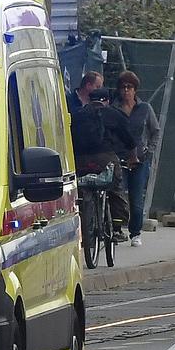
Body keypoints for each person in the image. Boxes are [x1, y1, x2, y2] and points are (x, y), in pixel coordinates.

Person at [72, 86, 135, 234]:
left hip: (80, 160)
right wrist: (133, 157)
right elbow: (129, 139)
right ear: (107, 101)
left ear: (89, 99)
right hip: (105, 158)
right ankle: (117, 228)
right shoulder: (114, 114)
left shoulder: (77, 115)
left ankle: (81, 224)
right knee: (115, 187)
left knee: (80, 190)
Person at [113, 70, 161, 248]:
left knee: (136, 198)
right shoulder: (114, 108)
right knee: (118, 195)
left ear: (135, 90)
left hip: (140, 160)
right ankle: (116, 229)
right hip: (119, 158)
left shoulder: (145, 109)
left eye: (130, 87)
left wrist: (149, 151)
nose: (126, 91)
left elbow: (155, 131)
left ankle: (135, 232)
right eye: (123, 87)